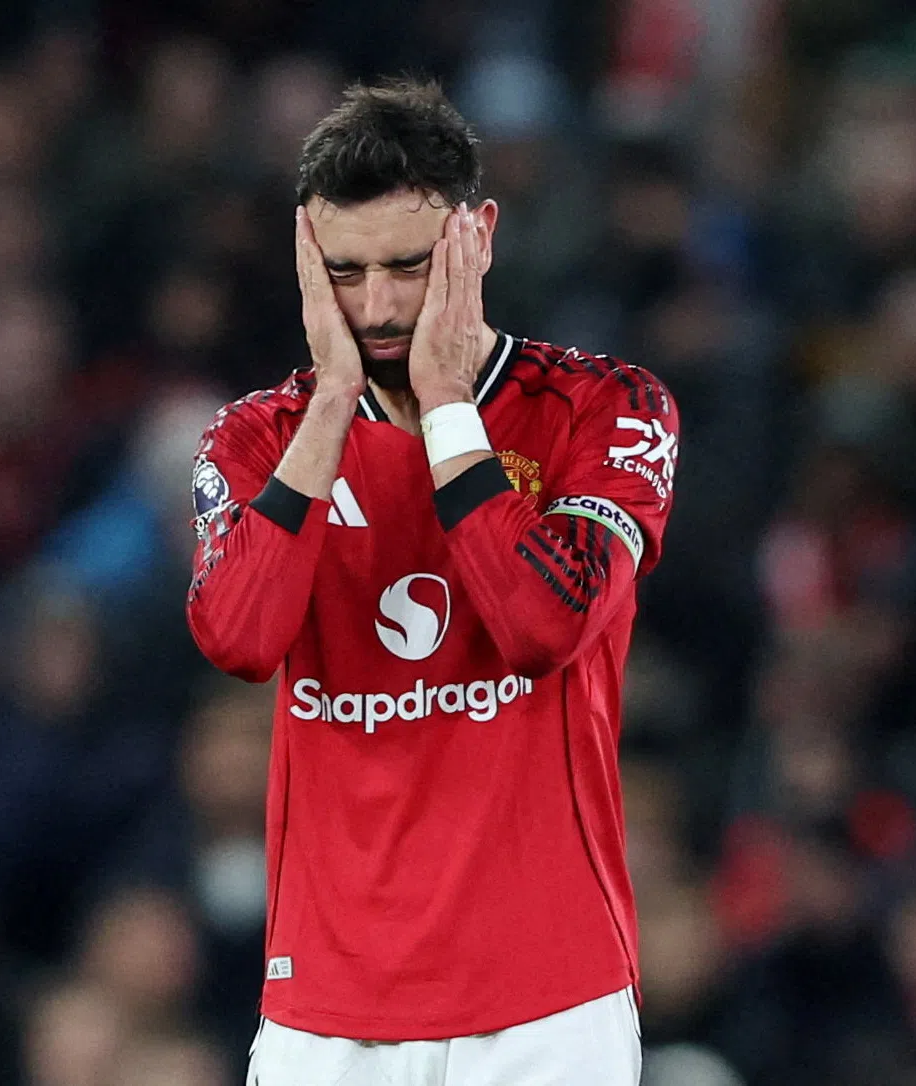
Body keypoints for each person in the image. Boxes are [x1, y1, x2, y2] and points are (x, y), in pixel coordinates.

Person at [186, 78, 679, 1086]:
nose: (375, 307)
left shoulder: (606, 409)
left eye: (409, 267)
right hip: (328, 1008)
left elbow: (543, 623)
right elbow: (238, 639)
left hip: (549, 999)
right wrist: (330, 409)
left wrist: (449, 403)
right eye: (345, 272)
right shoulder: (256, 441)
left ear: (479, 234)